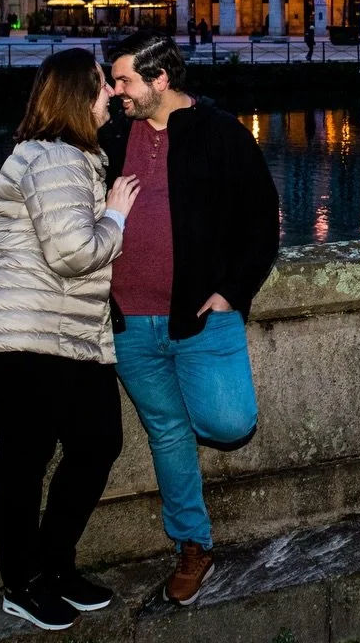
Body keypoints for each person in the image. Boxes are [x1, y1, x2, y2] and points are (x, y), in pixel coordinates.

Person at [0, 48, 141, 631]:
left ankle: (53, 566)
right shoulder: (54, 158)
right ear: (79, 96)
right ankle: (24, 582)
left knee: (95, 441)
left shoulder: (69, 157)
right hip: (20, 332)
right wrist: (116, 217)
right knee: (29, 456)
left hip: (54, 331)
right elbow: (72, 253)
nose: (112, 94)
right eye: (103, 86)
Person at [102, 31, 280, 607]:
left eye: (125, 79)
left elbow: (263, 222)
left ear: (160, 79)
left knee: (230, 423)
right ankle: (193, 546)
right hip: (129, 324)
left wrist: (232, 291)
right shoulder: (110, 136)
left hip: (201, 319)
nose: (115, 90)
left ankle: (192, 541)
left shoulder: (221, 132)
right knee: (168, 433)